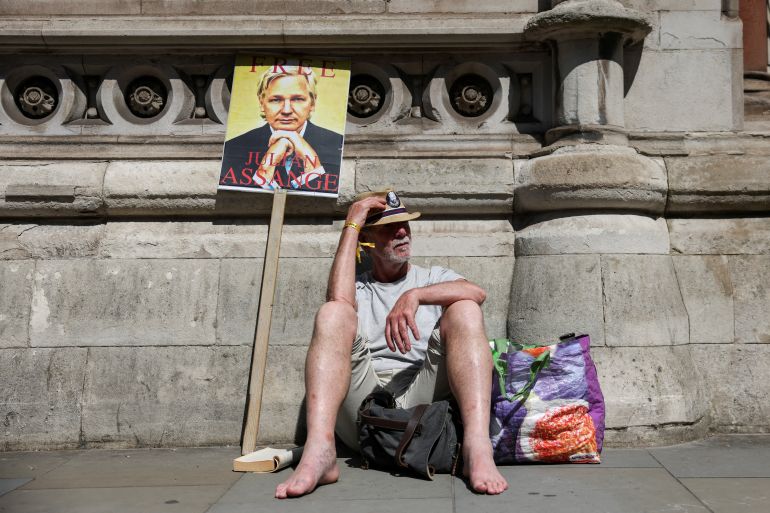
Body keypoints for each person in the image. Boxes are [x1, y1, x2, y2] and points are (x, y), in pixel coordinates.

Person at [275, 190, 508, 499]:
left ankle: (477, 448)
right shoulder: (359, 287)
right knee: (332, 313)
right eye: (389, 227)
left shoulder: (432, 278)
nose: (402, 232)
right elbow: (340, 301)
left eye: (405, 226)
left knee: (465, 308)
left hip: (422, 405)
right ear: (367, 241)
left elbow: (476, 292)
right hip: (365, 410)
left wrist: (415, 296)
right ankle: (321, 451)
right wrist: (353, 222)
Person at [220, 66, 343, 192]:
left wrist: (312, 165)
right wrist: (265, 169)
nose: (286, 110)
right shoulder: (233, 148)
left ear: (312, 103)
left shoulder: (338, 144)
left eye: (297, 99)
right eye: (276, 100)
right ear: (262, 103)